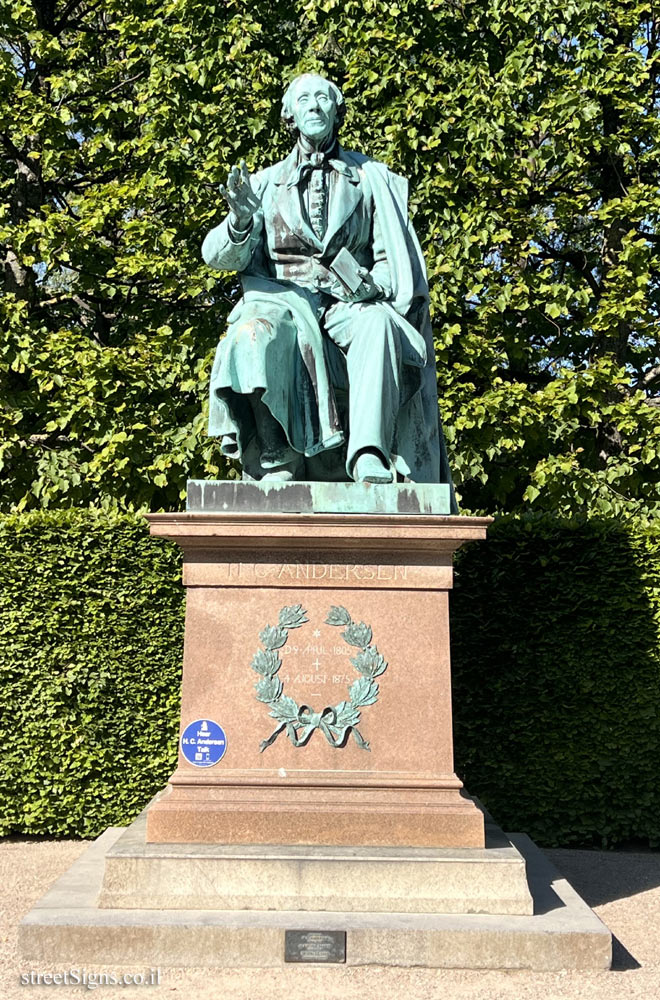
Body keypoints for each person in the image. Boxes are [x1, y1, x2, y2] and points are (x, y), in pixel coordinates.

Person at [202, 72, 452, 487]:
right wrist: (240, 221)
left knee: (379, 323)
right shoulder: (265, 183)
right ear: (290, 116)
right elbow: (217, 256)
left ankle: (369, 453)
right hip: (282, 302)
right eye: (304, 100)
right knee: (250, 333)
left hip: (347, 305)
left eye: (323, 98)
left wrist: (374, 285)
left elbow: (393, 260)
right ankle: (275, 451)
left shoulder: (371, 179)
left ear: (337, 111)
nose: (314, 106)